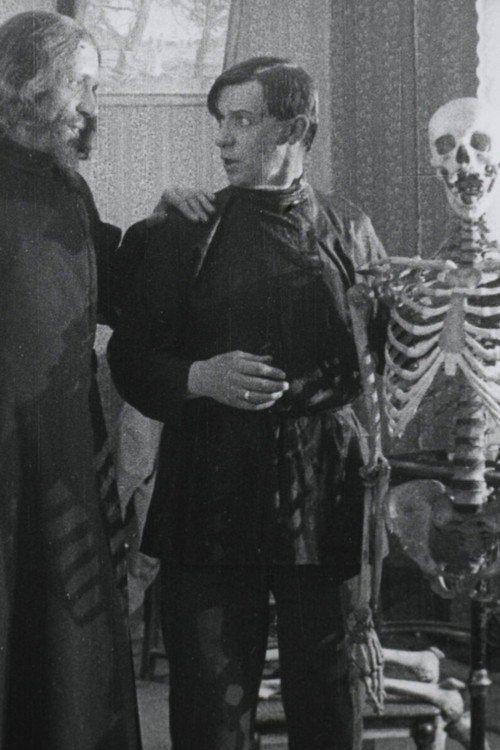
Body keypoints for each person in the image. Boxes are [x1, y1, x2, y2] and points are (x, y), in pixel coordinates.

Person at [108, 57, 386, 750]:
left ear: (292, 128)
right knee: (212, 695)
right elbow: (130, 360)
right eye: (220, 121)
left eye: (242, 120)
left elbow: (378, 359)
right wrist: (197, 377)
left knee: (327, 690)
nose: (223, 138)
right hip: (210, 487)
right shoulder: (182, 231)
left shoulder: (351, 229)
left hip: (320, 487)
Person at [0, 11, 211, 749]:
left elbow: (111, 290)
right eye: (82, 85)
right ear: (30, 84)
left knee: (66, 638)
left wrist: (159, 226)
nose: (93, 105)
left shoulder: (68, 187)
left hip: (63, 441)